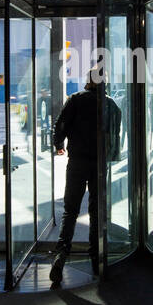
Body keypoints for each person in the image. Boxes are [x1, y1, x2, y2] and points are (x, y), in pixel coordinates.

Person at [49, 69, 122, 286]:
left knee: (70, 210)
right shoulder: (111, 105)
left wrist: (58, 144)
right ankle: (95, 256)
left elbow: (61, 124)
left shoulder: (75, 100)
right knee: (96, 211)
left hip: (77, 162)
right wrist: (111, 156)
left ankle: (61, 256)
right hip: (99, 164)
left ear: (88, 81)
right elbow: (115, 134)